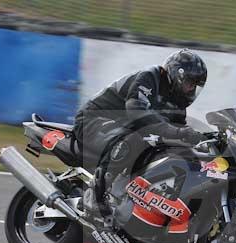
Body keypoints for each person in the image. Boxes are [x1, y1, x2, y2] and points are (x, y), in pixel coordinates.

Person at [73, 48, 208, 215]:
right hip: (92, 120)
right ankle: (94, 194)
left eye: (195, 86)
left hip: (121, 128)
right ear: (177, 75)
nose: (190, 89)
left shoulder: (177, 103)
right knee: (132, 139)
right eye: (189, 83)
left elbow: (178, 132)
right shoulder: (150, 77)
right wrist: (178, 133)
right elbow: (136, 111)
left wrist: (201, 141)